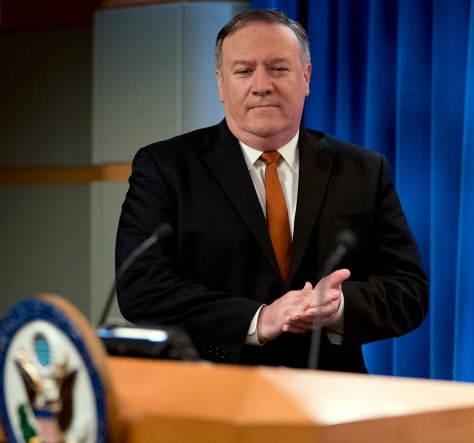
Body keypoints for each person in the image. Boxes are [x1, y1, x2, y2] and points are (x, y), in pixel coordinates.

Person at [115, 9, 428, 373]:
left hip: (332, 400)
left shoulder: (362, 169)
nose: (261, 84)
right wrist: (258, 319)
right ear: (220, 84)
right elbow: (141, 286)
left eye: (278, 68)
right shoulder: (165, 166)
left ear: (306, 76)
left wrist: (338, 307)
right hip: (211, 396)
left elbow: (409, 291)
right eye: (244, 71)